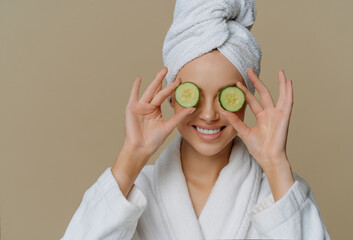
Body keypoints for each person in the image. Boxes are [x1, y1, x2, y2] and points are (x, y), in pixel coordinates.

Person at [61, 1, 330, 239]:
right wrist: (131, 156)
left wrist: (276, 164)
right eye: (193, 95)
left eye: (227, 95)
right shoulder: (134, 189)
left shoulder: (280, 193)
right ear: (170, 96)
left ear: (247, 99)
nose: (210, 114)